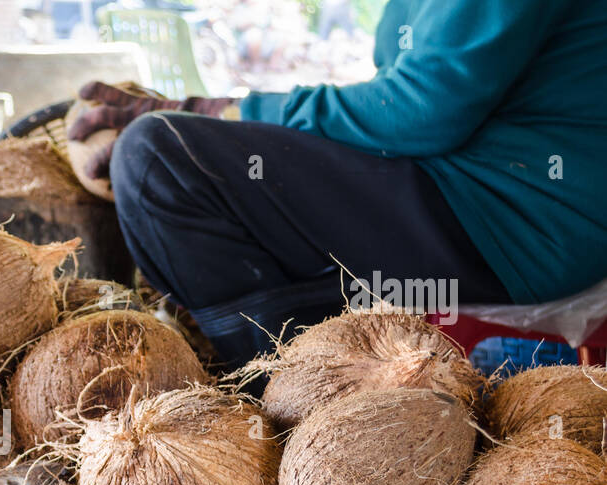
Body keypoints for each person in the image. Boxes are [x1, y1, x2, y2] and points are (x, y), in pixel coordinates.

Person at [68, 0, 607, 369]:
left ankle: (290, 405)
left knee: (158, 159)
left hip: (517, 217)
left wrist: (218, 113)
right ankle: (326, 387)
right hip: (486, 198)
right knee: (178, 158)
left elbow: (421, 109)